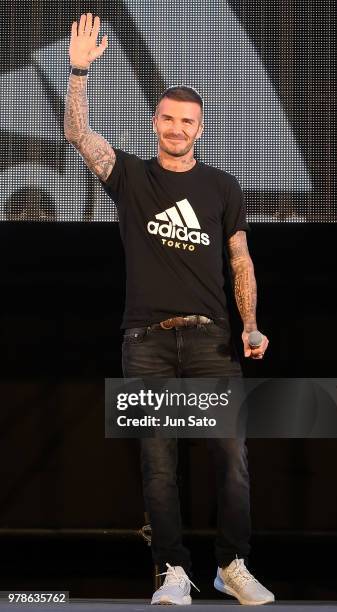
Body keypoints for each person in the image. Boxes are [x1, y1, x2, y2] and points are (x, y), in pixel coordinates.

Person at [64, 13, 275, 606]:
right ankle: (171, 571)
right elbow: (79, 135)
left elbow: (241, 262)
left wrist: (251, 326)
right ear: (155, 123)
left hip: (211, 343)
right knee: (159, 467)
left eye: (188, 121)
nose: (177, 128)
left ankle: (231, 565)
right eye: (168, 118)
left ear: (200, 129)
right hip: (146, 343)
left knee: (232, 461)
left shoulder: (223, 188)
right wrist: (78, 72)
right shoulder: (131, 176)